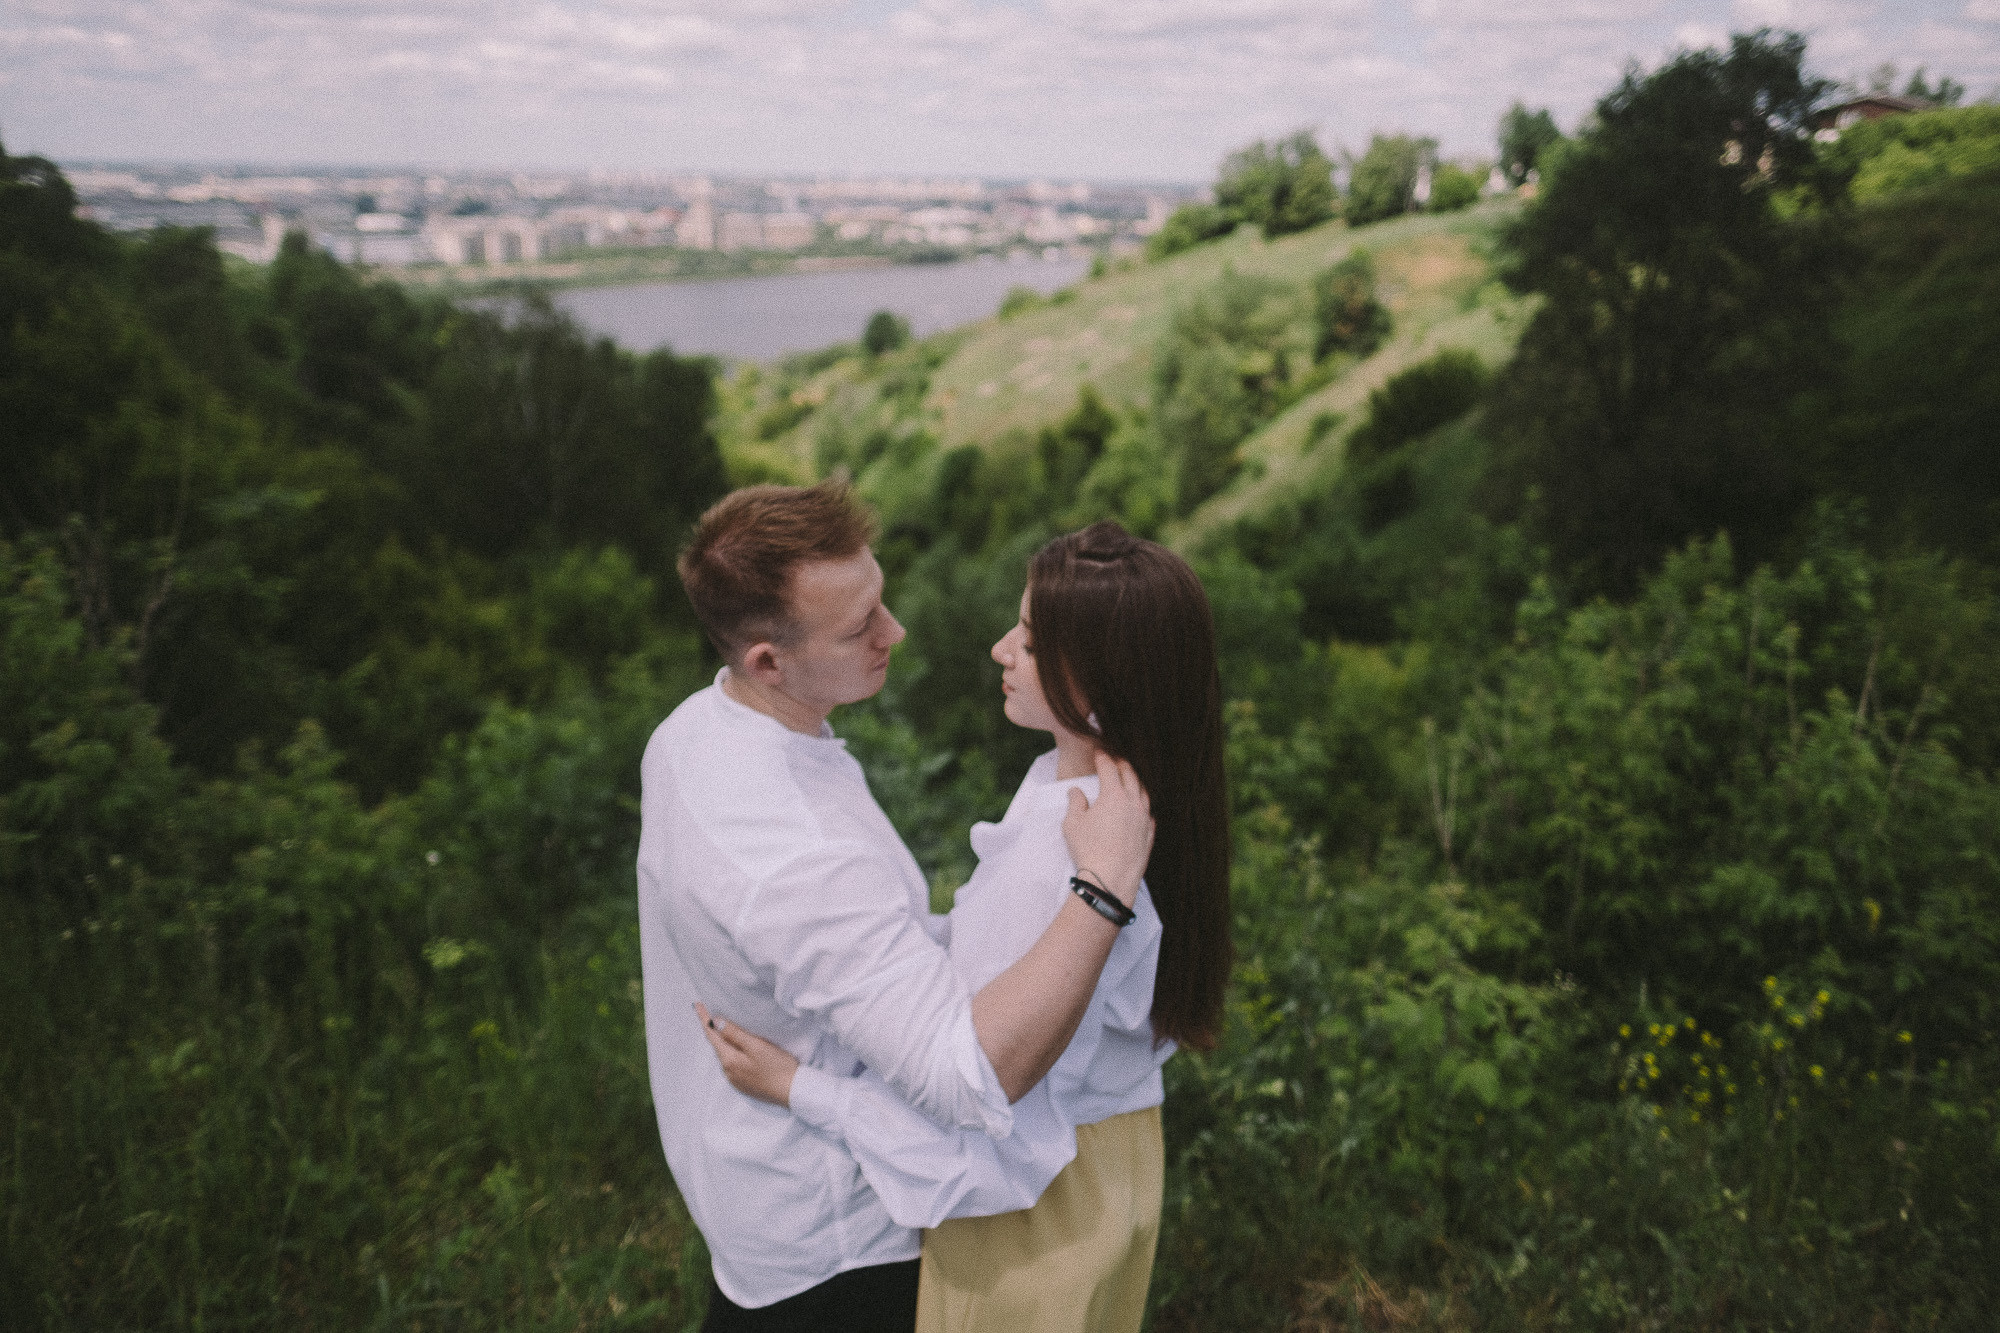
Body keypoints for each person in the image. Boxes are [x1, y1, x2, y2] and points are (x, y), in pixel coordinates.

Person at [637, 482, 1156, 1332]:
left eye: (879, 598)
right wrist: (1102, 890)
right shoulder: (796, 861)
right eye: (859, 627)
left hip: (751, 1184)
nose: (896, 632)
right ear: (769, 658)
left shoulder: (696, 728)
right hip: (839, 1239)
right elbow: (975, 1075)